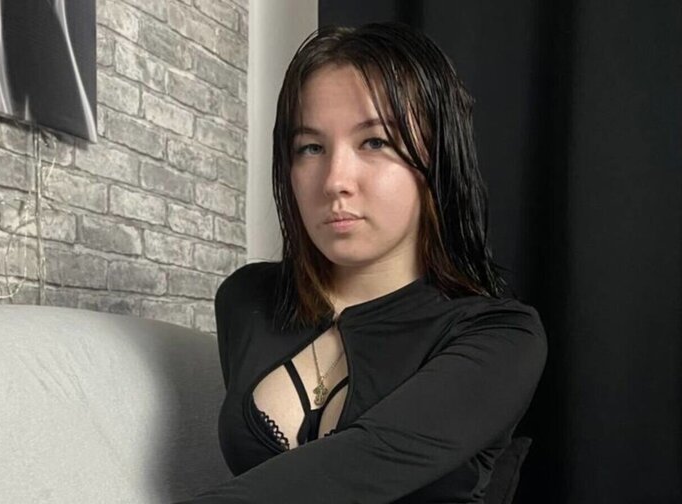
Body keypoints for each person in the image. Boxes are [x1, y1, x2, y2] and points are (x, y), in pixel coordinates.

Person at [178, 22, 547, 503]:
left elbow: (359, 466)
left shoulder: (502, 337)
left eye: (374, 142)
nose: (335, 180)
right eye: (311, 148)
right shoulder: (246, 300)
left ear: (438, 158)